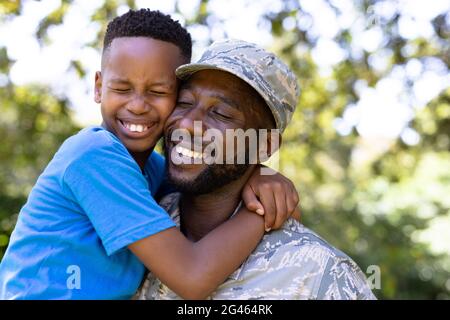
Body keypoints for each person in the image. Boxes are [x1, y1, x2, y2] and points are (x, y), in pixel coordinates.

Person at [0, 10, 300, 300]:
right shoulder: (93, 158)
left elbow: (217, 185)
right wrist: (259, 213)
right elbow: (191, 278)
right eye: (122, 88)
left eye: (157, 91)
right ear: (98, 87)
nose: (138, 105)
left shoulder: (154, 171)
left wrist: (261, 174)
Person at [136, 39, 376, 300]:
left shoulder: (318, 272)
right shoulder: (136, 217)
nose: (188, 123)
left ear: (265, 145)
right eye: (184, 102)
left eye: (222, 114)